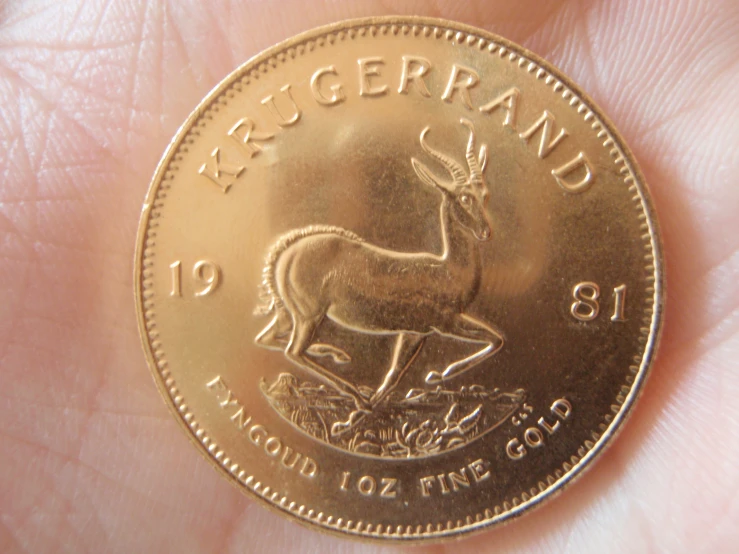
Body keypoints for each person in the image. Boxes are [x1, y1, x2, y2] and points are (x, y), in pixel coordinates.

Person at [0, 1, 737, 552]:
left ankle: (378, 389)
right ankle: (345, 375)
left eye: (476, 203)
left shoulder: (448, 270)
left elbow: (428, 324)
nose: (477, 215)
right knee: (437, 334)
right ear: (447, 201)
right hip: (357, 295)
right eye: (466, 203)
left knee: (434, 330)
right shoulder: (405, 270)